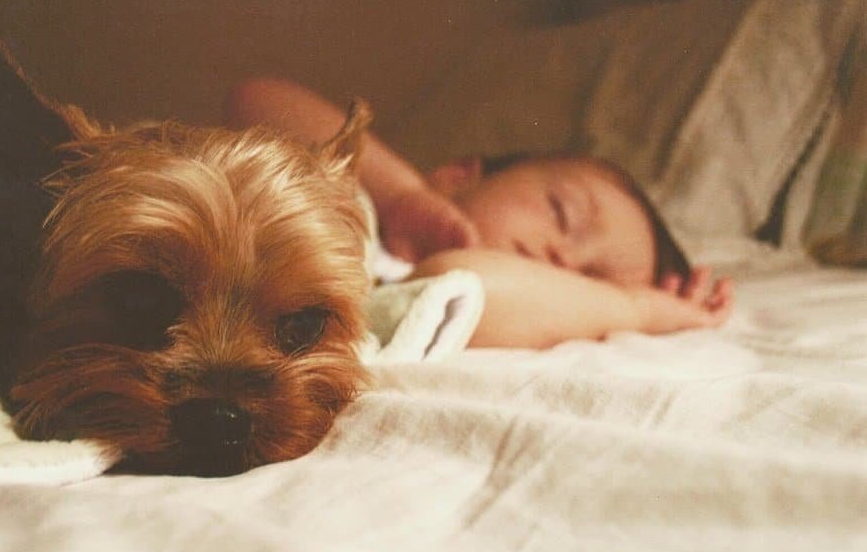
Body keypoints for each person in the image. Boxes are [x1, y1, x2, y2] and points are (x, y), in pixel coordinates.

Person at [223, 78, 733, 349]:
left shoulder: (423, 293)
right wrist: (402, 194)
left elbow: (462, 281)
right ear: (459, 174)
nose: (561, 257)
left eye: (589, 280)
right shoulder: (358, 196)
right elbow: (257, 100)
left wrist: (634, 310)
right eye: (561, 212)